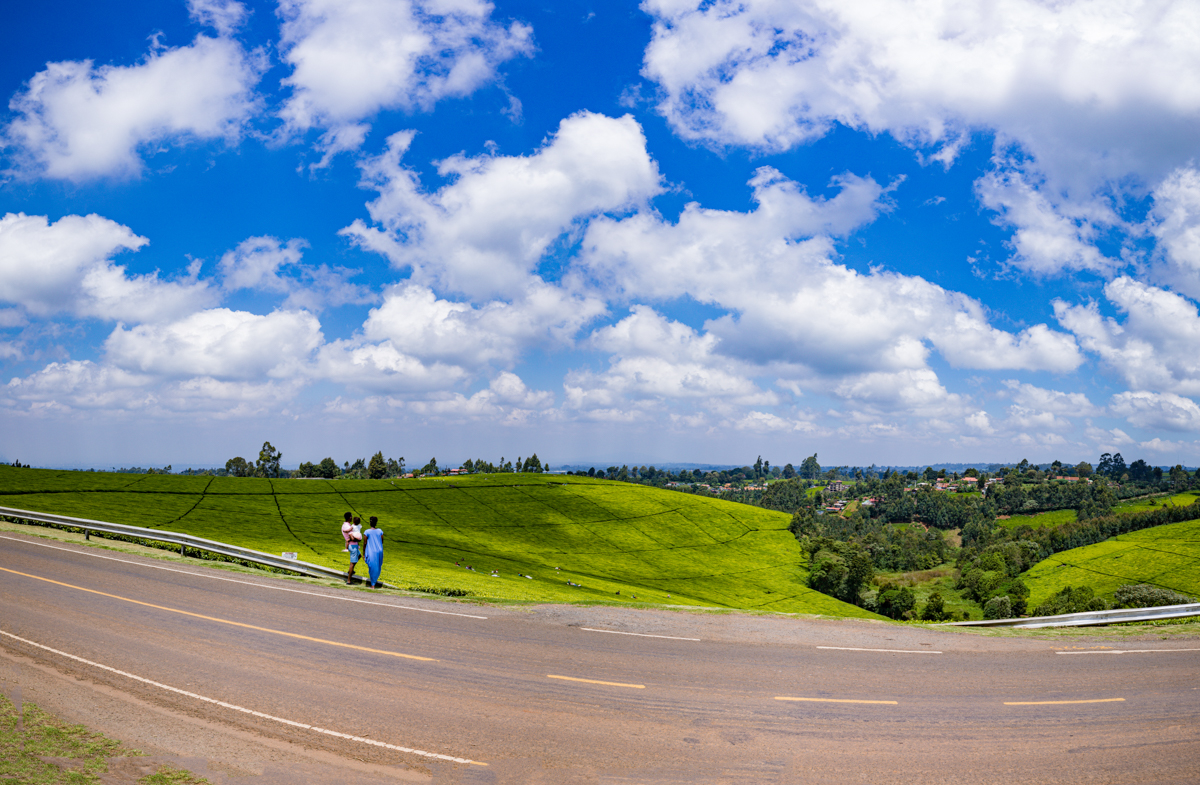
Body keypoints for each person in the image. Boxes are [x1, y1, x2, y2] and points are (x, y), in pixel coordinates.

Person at [362, 516, 384, 588]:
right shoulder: (380, 531)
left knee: (372, 567)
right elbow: (382, 541)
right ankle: (374, 582)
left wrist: (363, 553)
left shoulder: (367, 532)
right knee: (377, 566)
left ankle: (373, 585)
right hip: (379, 551)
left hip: (372, 551)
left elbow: (365, 543)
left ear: (370, 522)